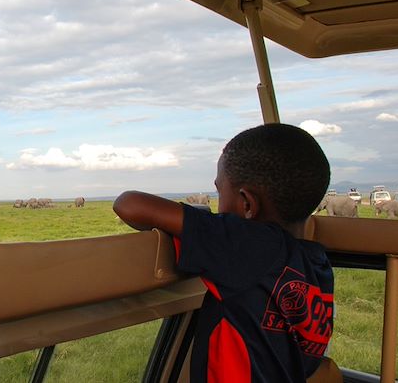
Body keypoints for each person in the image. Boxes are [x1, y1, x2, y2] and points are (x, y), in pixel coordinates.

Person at [114, 123, 334, 382]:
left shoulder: (245, 245)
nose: (218, 204)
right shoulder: (316, 265)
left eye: (220, 191)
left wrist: (202, 221)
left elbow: (128, 204)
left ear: (247, 204)